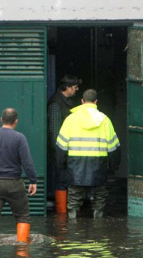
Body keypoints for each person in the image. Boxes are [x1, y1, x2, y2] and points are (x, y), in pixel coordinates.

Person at [56, 89, 121, 219]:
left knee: (74, 200)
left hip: (75, 166)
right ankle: (98, 228)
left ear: (82, 101)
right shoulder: (105, 120)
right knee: (99, 199)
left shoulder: (70, 119)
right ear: (96, 102)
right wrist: (113, 167)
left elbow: (61, 146)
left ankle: (72, 228)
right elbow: (114, 147)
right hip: (98, 166)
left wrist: (62, 165)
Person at [0, 108, 37, 243]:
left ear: (1, 120)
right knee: (22, 217)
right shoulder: (19, 137)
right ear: (16, 121)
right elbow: (27, 161)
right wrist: (32, 180)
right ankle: (22, 251)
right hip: (14, 184)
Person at [47, 74, 80, 213]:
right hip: (60, 151)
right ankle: (61, 214)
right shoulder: (56, 104)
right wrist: (60, 152)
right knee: (61, 181)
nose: (77, 90)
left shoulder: (65, 101)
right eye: (75, 87)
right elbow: (55, 132)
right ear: (67, 87)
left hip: (65, 149)